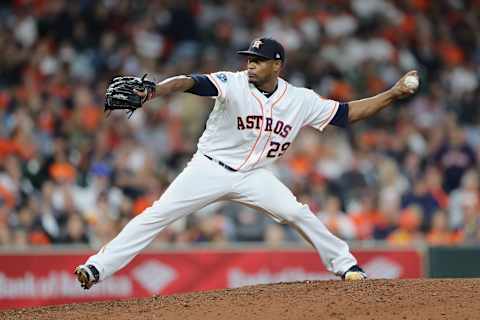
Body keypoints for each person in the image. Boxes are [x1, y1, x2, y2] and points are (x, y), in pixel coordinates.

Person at [75, 38, 418, 289]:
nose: (250, 64)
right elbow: (190, 82)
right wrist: (155, 91)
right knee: (157, 214)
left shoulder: (299, 100)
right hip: (209, 167)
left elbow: (347, 113)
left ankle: (348, 268)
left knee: (297, 212)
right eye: (249, 58)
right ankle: (96, 268)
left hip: (255, 175)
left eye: (258, 60)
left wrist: (392, 95)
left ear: (276, 65)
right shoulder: (233, 82)